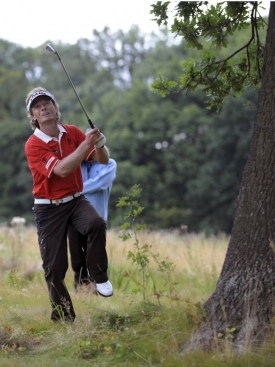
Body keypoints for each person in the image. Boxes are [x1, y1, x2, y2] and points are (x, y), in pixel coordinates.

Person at [24, 87, 113, 323]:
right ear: (33, 116)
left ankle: (99, 276)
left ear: (55, 108)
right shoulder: (34, 144)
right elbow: (62, 170)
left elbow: (102, 160)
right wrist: (87, 144)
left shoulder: (72, 132)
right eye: (37, 106)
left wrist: (101, 144)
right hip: (48, 208)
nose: (43, 108)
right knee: (55, 268)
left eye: (47, 103)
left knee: (95, 223)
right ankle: (65, 319)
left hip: (75, 200)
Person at [68, 154, 117, 290]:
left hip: (97, 220)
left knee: (96, 256)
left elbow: (100, 183)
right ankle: (81, 290)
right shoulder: (76, 164)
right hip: (74, 218)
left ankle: (97, 290)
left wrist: (74, 190)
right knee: (77, 258)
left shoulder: (109, 164)